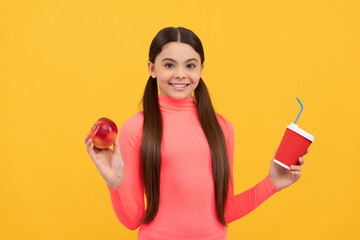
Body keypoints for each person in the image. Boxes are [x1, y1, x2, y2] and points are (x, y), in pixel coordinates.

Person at [84, 27, 308, 240]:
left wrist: (273, 183)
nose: (180, 74)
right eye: (169, 65)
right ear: (152, 69)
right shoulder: (136, 128)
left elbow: (224, 211)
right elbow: (132, 219)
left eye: (190, 66)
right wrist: (115, 182)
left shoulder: (221, 128)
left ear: (201, 69)